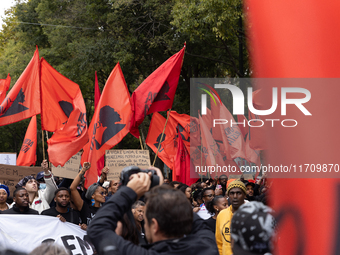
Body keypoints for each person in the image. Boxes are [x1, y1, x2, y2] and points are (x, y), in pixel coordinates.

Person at [87, 167, 219, 255]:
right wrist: (163, 191)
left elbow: (97, 229)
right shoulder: (207, 246)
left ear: (154, 226)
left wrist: (128, 192)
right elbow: (196, 223)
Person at [70, 162, 107, 227]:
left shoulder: (107, 209)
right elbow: (72, 188)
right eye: (102, 193)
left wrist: (103, 177)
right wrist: (83, 170)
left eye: (105, 193)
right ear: (93, 195)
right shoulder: (85, 208)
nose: (104, 195)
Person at [216, 180, 246, 255]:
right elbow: (219, 243)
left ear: (244, 195)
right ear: (228, 195)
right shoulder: (222, 214)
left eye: (238, 193)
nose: (235, 196)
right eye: (232, 193)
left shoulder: (252, 215)